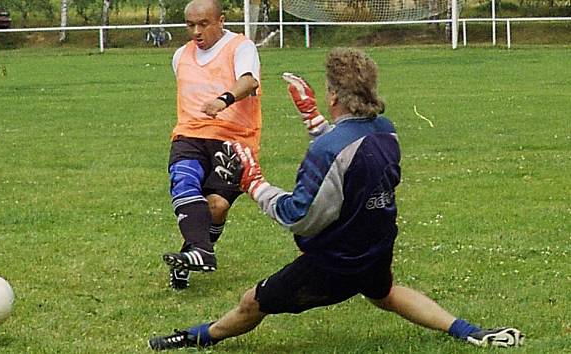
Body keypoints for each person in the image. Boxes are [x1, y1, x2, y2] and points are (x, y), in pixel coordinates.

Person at [149, 48, 525, 349]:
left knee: (252, 302)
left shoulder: (328, 150)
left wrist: (253, 181)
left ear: (334, 94)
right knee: (386, 294)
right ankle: (470, 331)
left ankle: (198, 336)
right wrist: (312, 120)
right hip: (375, 241)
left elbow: (298, 215)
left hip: (336, 259)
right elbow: (348, 154)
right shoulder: (385, 130)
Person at [162, 0, 262, 290]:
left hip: (235, 139)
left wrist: (224, 100)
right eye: (190, 25)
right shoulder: (181, 55)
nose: (196, 31)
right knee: (184, 181)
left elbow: (249, 81)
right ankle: (201, 250)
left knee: (216, 206)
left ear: (221, 20)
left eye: (203, 24)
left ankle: (189, 255)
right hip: (189, 135)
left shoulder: (241, 47)